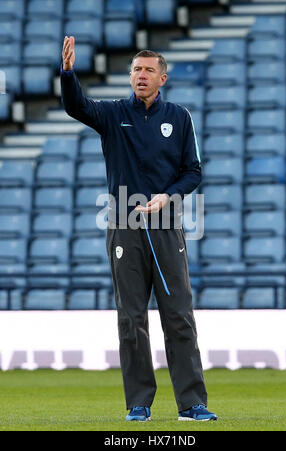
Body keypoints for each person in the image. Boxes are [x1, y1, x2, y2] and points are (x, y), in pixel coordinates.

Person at [61, 36, 217, 422]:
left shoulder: (179, 118)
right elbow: (75, 106)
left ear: (162, 78)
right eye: (135, 70)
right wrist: (67, 74)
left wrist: (168, 196)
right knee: (131, 318)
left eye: (148, 70)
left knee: (178, 315)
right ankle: (139, 404)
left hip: (166, 225)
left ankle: (192, 403)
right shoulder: (113, 114)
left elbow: (193, 171)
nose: (141, 75)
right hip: (124, 226)